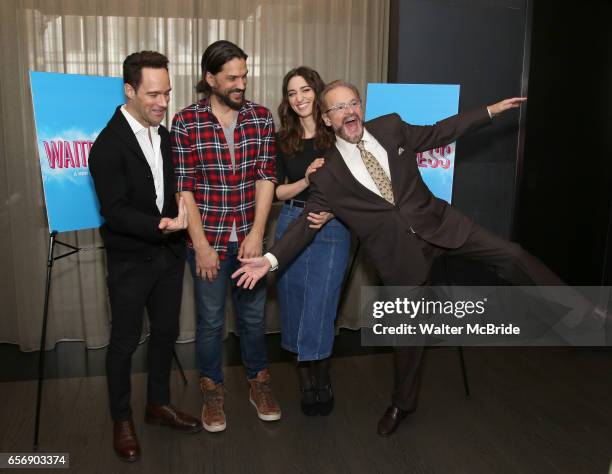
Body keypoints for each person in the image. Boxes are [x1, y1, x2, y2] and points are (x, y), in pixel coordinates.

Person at [232, 80, 566, 436]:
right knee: (409, 337)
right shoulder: (327, 175)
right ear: (327, 120)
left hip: (441, 225)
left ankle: (572, 308)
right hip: (400, 256)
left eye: (353, 103)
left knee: (512, 253)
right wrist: (269, 260)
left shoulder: (390, 126)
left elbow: (441, 132)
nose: (350, 111)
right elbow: (304, 226)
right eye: (339, 108)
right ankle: (402, 404)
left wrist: (490, 112)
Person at [89, 51, 201, 463]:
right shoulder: (106, 145)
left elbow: (173, 190)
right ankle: (122, 420)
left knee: (166, 334)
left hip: (168, 259)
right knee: (123, 343)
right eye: (153, 94)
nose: (163, 102)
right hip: (131, 260)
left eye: (167, 93)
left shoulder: (166, 136)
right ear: (129, 90)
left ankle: (157, 405)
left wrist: (183, 212)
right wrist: (163, 225)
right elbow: (115, 211)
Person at [171, 40, 280, 433]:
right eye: (232, 78)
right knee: (211, 321)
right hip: (208, 239)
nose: (241, 84)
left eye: (244, 76)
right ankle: (212, 390)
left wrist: (256, 234)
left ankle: (259, 384)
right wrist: (201, 246)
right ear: (209, 78)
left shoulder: (262, 117)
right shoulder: (185, 121)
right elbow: (185, 188)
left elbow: (266, 177)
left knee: (253, 318)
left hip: (249, 239)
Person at [275, 66, 350, 416]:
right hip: (292, 220)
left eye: (305, 90)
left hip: (332, 226)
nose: (299, 98)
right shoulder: (283, 139)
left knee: (321, 304)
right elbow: (277, 191)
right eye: (292, 93)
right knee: (294, 305)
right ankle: (306, 383)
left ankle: (323, 379)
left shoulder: (338, 133)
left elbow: (356, 187)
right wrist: (305, 179)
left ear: (316, 93)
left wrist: (334, 213)